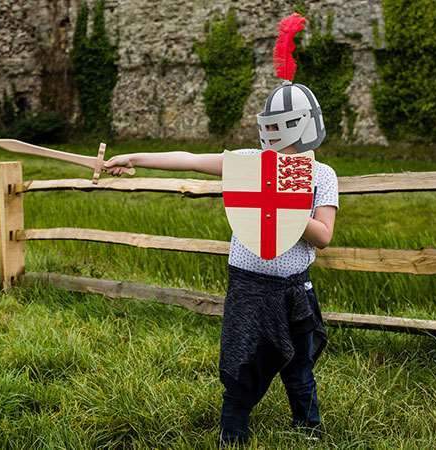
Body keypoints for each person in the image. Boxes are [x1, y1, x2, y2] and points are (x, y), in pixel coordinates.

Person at [104, 13, 338, 446]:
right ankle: (233, 434)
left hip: (292, 286)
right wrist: (135, 156)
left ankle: (309, 431)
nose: (277, 143)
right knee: (241, 362)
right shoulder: (249, 161)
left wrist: (283, 203)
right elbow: (191, 158)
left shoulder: (322, 175)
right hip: (249, 283)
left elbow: (322, 236)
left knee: (299, 367)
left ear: (304, 130)